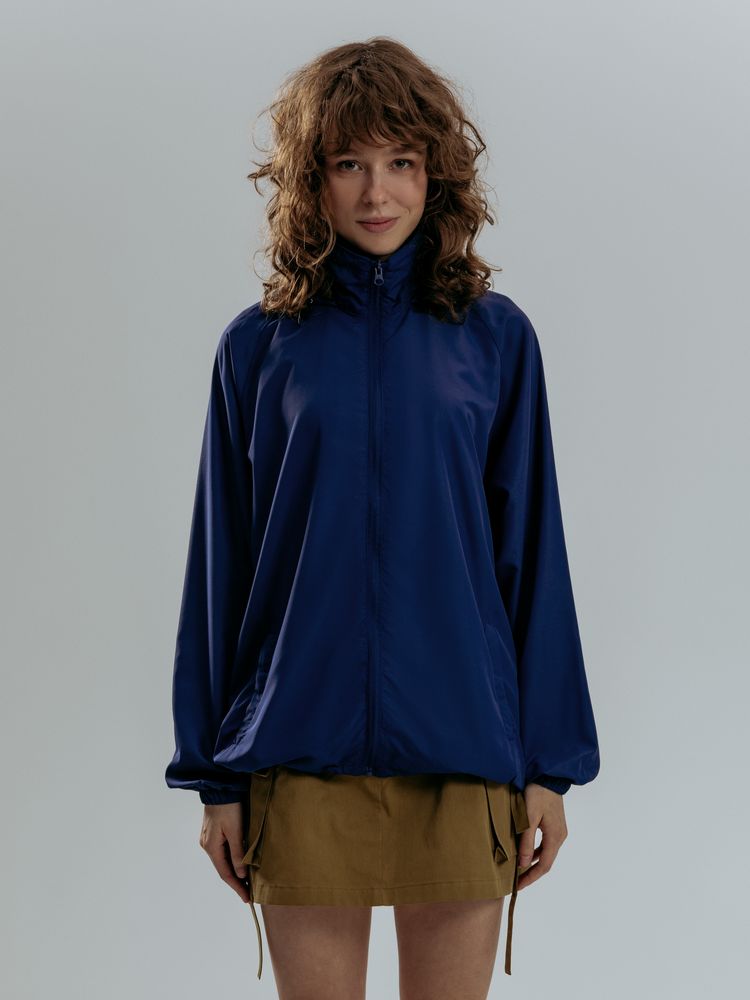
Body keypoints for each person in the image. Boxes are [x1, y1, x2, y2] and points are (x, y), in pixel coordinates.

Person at [165, 36, 600, 1000]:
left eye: (401, 161)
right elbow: (221, 567)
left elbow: (533, 552)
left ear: (435, 174)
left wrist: (550, 766)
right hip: (298, 756)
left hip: (463, 755)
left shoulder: (495, 339)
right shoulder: (257, 348)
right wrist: (213, 778)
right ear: (309, 179)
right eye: (348, 163)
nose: (377, 193)